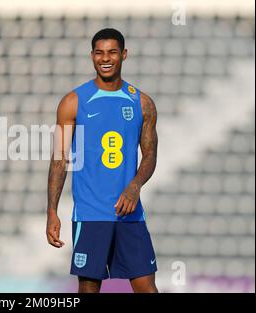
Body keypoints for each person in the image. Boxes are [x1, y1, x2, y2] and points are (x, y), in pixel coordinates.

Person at [46, 28, 158, 293]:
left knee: (147, 288)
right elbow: (59, 159)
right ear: (92, 56)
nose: (105, 58)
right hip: (90, 213)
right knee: (88, 288)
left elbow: (150, 154)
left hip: (130, 214)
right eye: (99, 52)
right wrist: (52, 211)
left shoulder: (142, 103)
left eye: (112, 52)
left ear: (124, 55)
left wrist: (135, 186)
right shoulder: (73, 102)